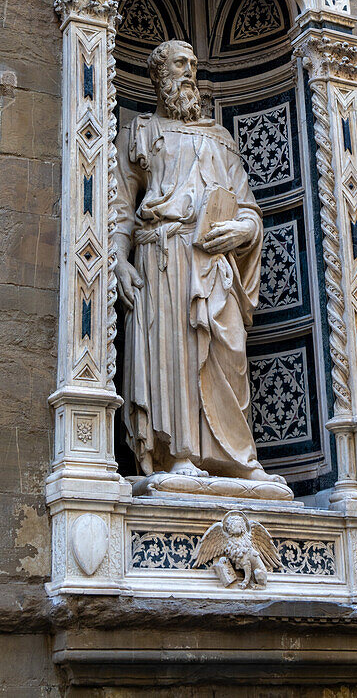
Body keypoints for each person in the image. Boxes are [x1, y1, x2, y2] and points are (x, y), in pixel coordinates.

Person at [114, 39, 279, 483]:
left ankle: (237, 459)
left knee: (228, 352)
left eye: (193, 65)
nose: (190, 73)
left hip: (214, 261)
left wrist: (246, 229)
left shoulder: (220, 139)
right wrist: (117, 260)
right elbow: (120, 210)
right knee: (176, 356)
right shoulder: (139, 134)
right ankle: (179, 456)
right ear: (158, 74)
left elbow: (247, 207)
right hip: (163, 257)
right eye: (180, 64)